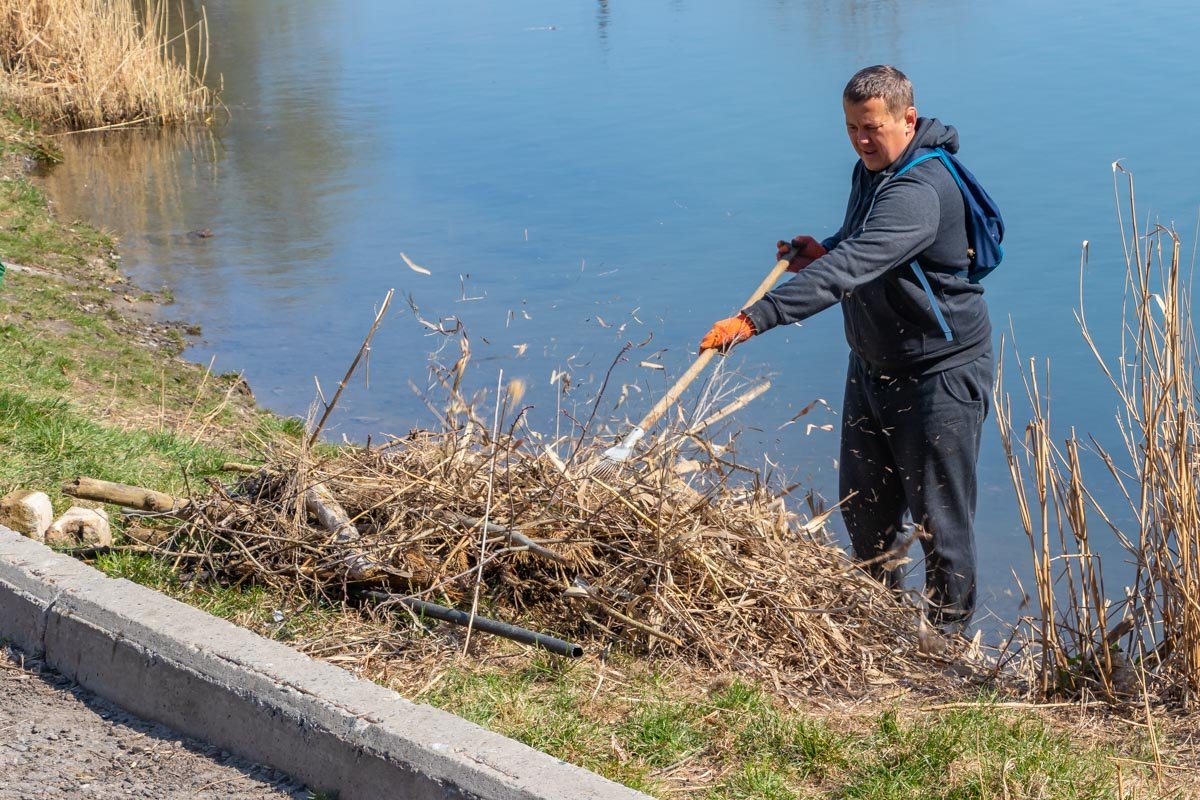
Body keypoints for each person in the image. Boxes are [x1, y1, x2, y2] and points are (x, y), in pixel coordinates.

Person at [700, 65, 994, 635]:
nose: (861, 139)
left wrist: (755, 318)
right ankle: (880, 639)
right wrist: (822, 248)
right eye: (852, 127)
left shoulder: (919, 189)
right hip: (875, 366)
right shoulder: (874, 170)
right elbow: (856, 247)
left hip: (938, 375)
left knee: (942, 526)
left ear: (908, 119)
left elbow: (854, 267)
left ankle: (949, 657)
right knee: (865, 513)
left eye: (872, 127)